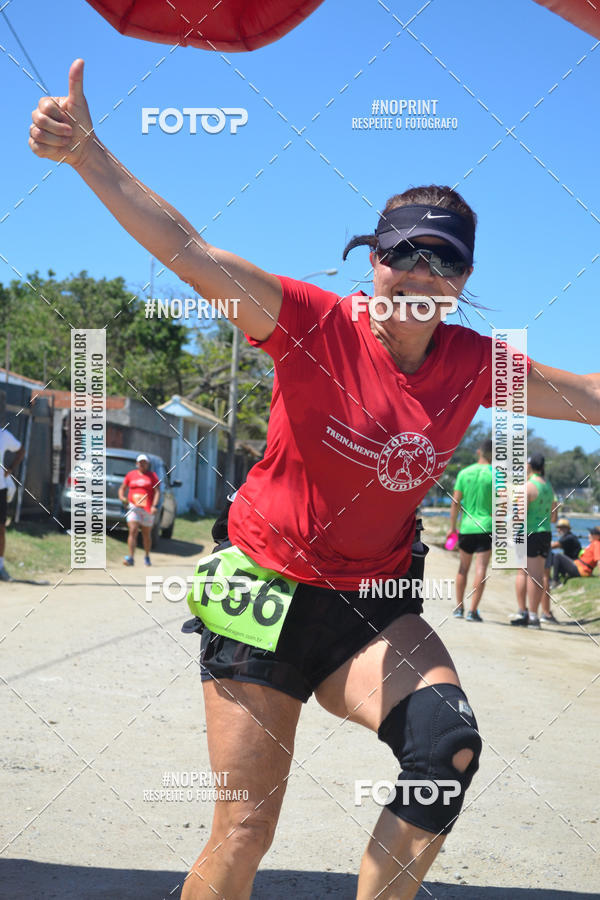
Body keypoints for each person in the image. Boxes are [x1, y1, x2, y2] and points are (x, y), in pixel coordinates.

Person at [29, 60, 600, 900]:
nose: (419, 273)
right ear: (372, 259)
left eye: (442, 260)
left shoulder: (476, 365)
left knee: (445, 754)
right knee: (245, 830)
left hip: (369, 605)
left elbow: (588, 397)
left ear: (463, 281)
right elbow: (189, 252)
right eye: (402, 252)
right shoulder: (312, 324)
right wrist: (87, 153)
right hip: (261, 591)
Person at [447, 440, 493, 622]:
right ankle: (473, 611)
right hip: (486, 526)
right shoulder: (497, 475)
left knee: (463, 568)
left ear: (478, 452)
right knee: (480, 568)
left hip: (466, 527)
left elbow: (455, 502)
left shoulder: (464, 473)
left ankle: (459, 608)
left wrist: (452, 527)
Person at [510, 455, 557, 629]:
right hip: (545, 533)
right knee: (538, 575)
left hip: (528, 533)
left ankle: (526, 613)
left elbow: (519, 516)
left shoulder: (528, 487)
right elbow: (554, 517)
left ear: (529, 466)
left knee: (524, 574)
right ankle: (533, 615)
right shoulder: (549, 487)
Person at [118, 453, 160, 566]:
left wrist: (154, 506)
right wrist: (122, 498)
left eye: (144, 463)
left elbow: (157, 492)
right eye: (140, 462)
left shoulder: (153, 476)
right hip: (133, 507)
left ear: (147, 464)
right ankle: (131, 558)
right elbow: (122, 488)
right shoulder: (131, 475)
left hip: (147, 508)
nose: (142, 464)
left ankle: (146, 556)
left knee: (146, 534)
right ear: (137, 463)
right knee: (133, 530)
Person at [541, 516, 581, 616]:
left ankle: (555, 581)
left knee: (557, 556)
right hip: (570, 562)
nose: (559, 529)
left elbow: (553, 546)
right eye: (558, 527)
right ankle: (549, 578)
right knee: (551, 556)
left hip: (575, 564)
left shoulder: (568, 538)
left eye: (561, 528)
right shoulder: (567, 536)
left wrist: (540, 544)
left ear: (567, 529)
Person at [0, 427, 25, 582]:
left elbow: (21, 450)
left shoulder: (3, 435)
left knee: (1, 529)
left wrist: (9, 469)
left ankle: (0, 567)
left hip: (0, 489)